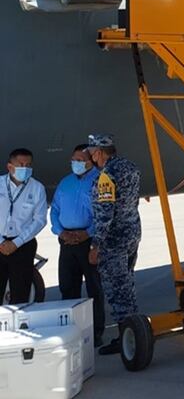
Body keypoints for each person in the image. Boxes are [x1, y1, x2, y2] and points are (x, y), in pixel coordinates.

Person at [86, 134, 142, 355]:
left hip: (113, 240)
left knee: (117, 290)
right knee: (127, 284)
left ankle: (127, 336)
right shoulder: (130, 167)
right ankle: (134, 328)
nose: (92, 158)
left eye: (92, 154)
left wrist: (96, 245)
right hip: (132, 233)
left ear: (99, 153)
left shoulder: (106, 176)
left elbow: (105, 214)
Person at [49, 144, 105, 346]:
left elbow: (105, 213)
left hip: (89, 241)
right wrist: (60, 231)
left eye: (80, 160)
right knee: (67, 287)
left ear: (91, 161)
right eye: (74, 160)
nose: (76, 163)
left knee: (94, 288)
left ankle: (95, 333)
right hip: (66, 241)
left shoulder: (100, 181)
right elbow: (55, 209)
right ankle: (70, 333)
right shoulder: (66, 182)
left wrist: (88, 233)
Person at [0, 148, 47, 303]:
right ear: (10, 167)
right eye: (21, 165)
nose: (25, 169)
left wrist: (16, 242)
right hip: (0, 242)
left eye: (28, 165)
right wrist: (1, 242)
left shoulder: (37, 188)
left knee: (20, 296)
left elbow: (40, 220)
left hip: (23, 245)